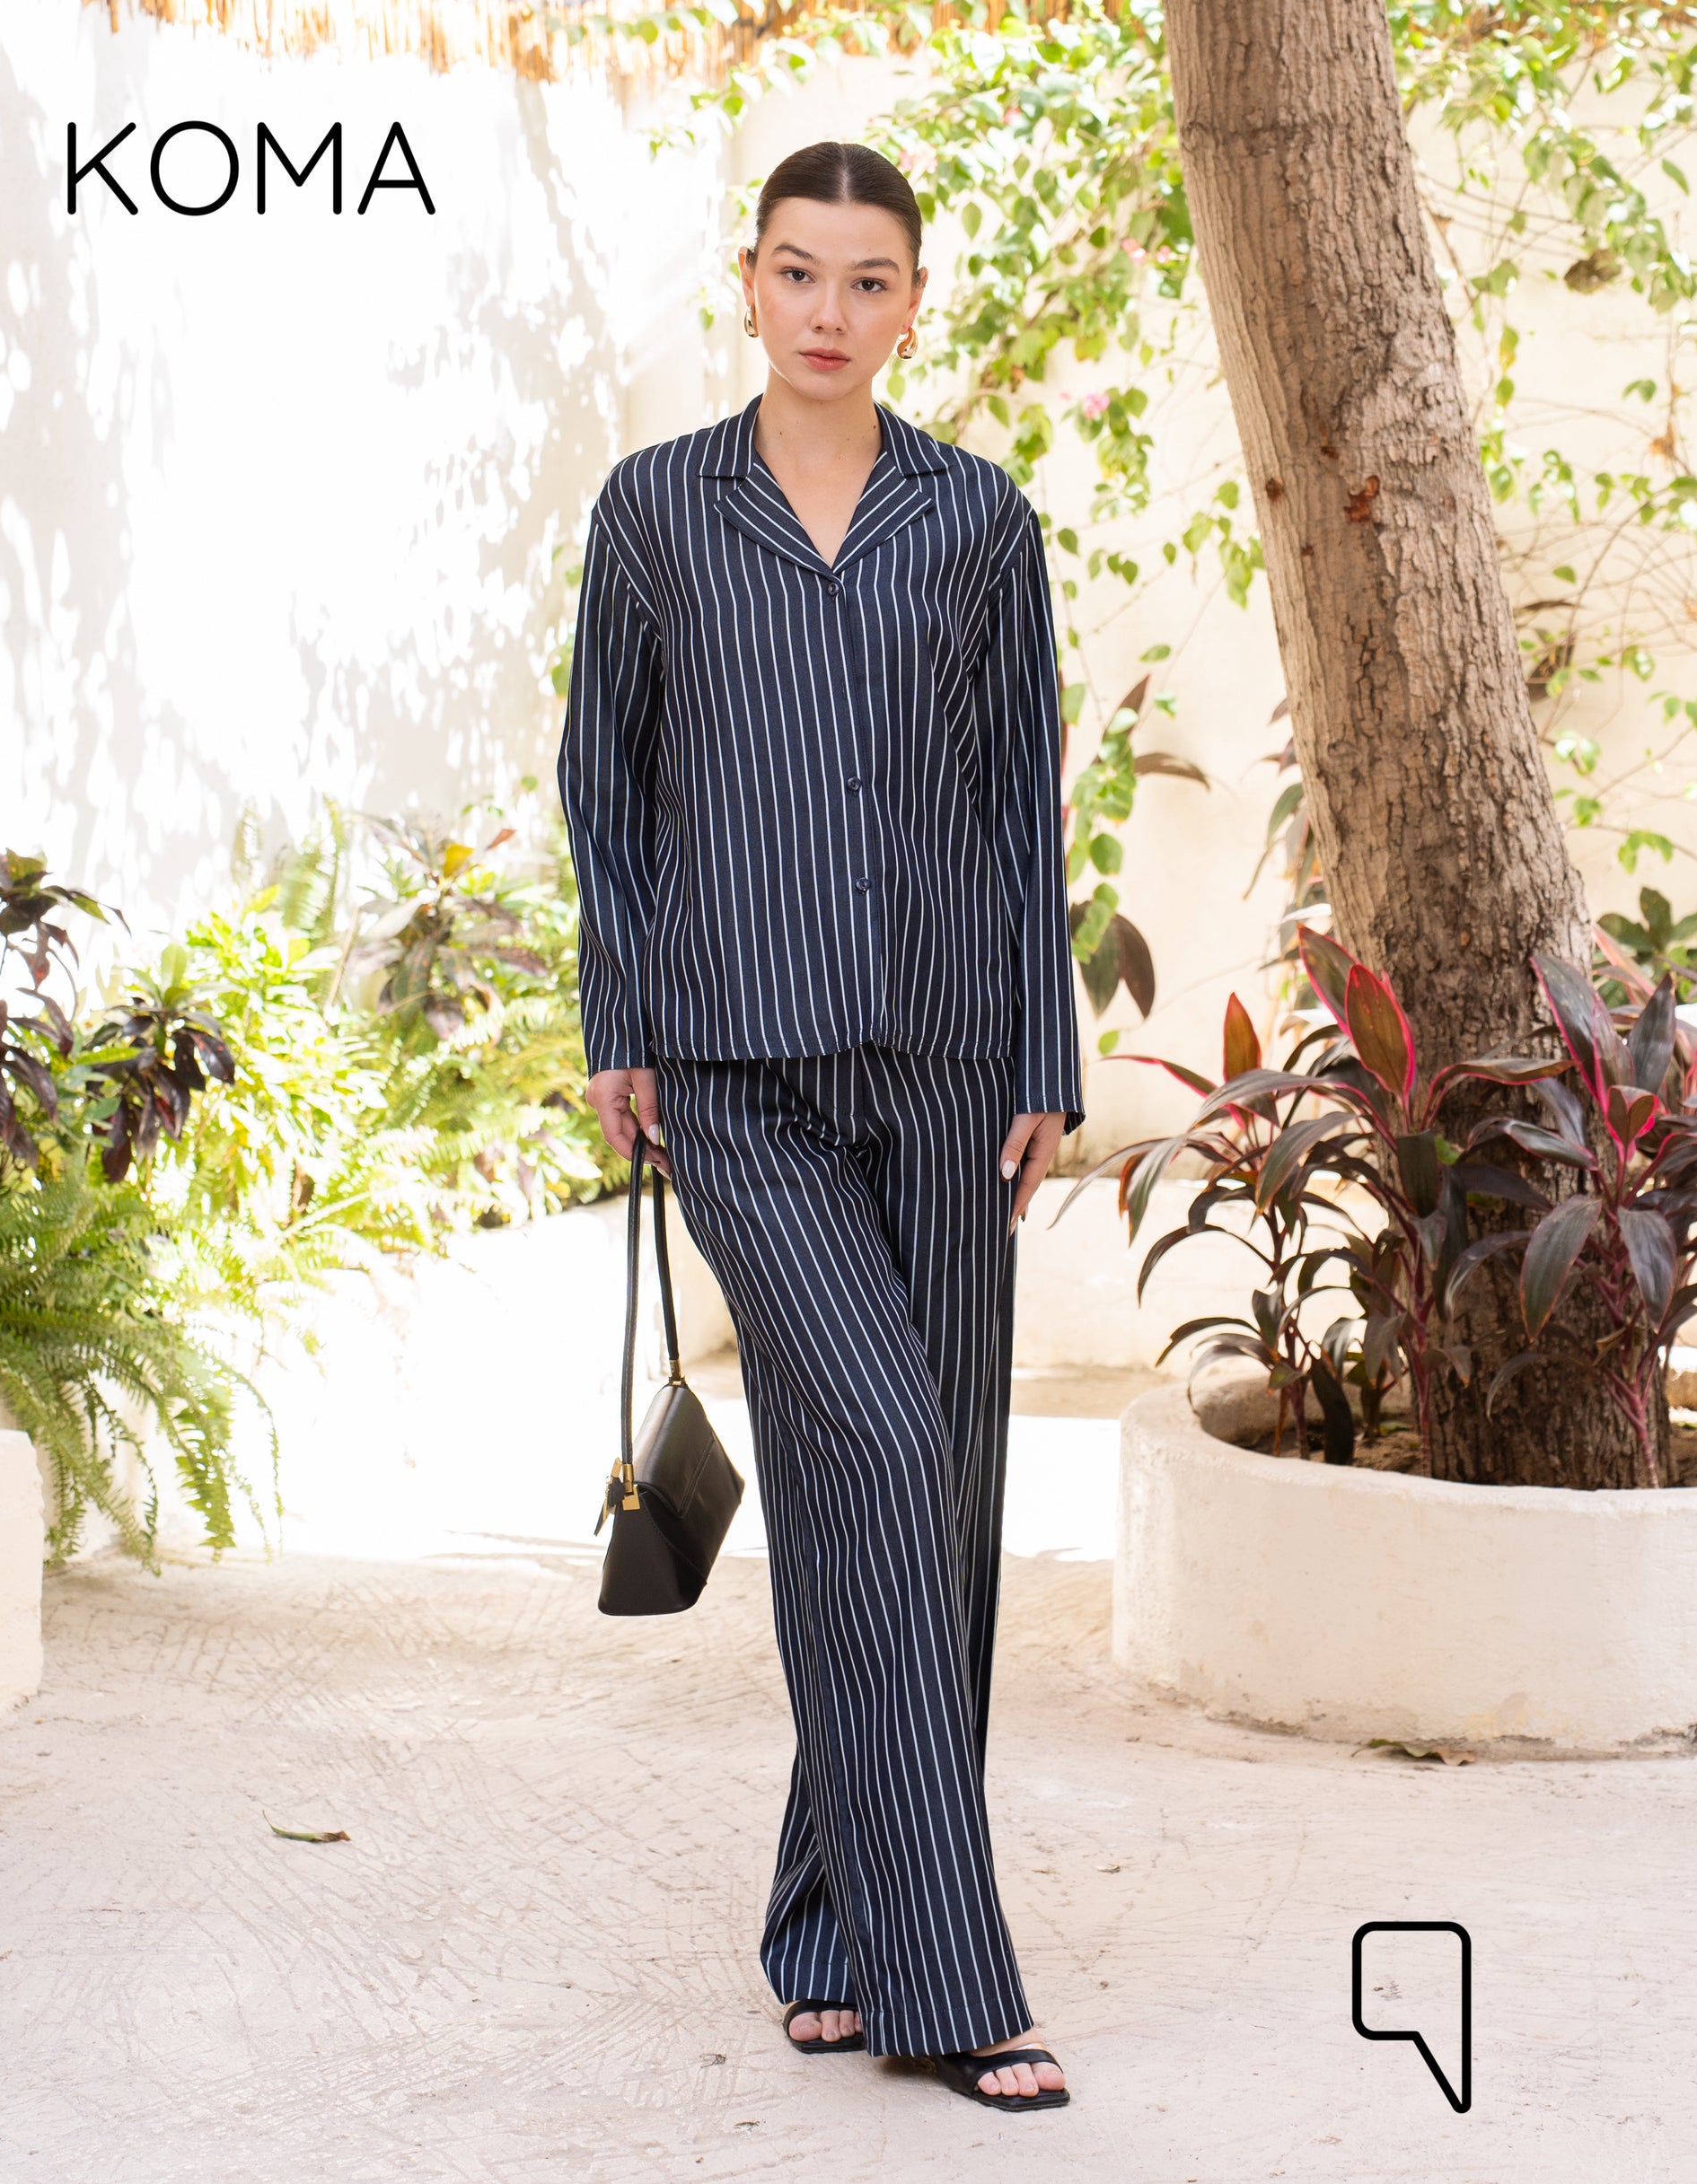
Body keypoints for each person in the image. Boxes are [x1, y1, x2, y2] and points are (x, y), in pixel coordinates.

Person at [558, 139, 1082, 2113]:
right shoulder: (657, 510)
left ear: (912, 302)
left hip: (946, 1064)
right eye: (799, 272)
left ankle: (823, 1926)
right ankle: (950, 1981)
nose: (829, 312)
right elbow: (604, 782)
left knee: (930, 1511)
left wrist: (1040, 1051)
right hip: (736, 1070)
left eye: (869, 280)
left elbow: (1015, 799)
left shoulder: (978, 521)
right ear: (750, 282)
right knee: (870, 1439)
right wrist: (623, 1022)